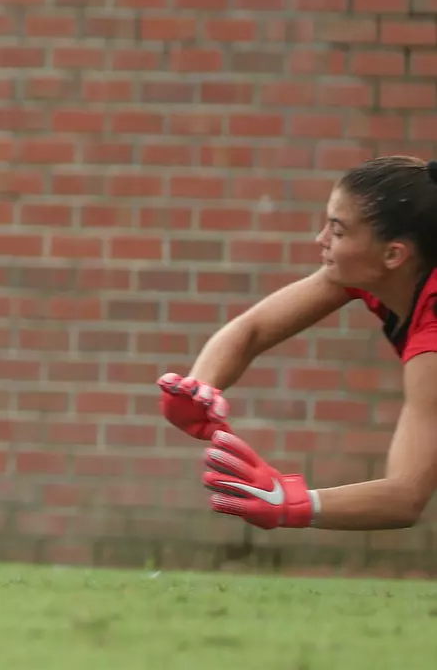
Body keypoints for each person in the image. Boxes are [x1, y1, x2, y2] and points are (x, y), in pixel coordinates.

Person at [157, 156, 437, 531]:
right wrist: (202, 385)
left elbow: (405, 496)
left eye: (337, 232)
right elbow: (253, 329)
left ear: (393, 254)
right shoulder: (369, 273)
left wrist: (292, 502)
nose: (320, 240)